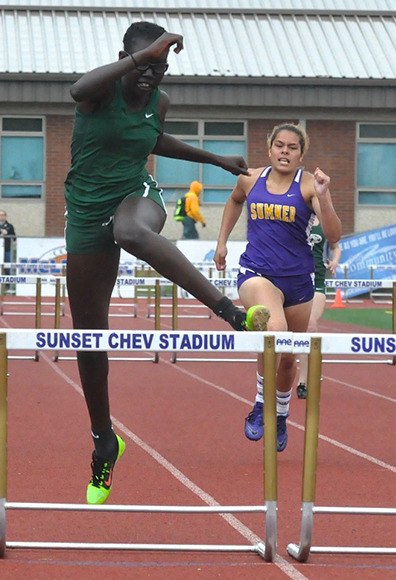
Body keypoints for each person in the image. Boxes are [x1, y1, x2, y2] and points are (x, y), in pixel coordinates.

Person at [64, 21, 270, 505]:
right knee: (89, 337)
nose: (151, 75)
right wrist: (142, 57)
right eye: (145, 64)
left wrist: (214, 159)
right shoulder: (101, 92)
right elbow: (75, 89)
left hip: (136, 196)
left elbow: (152, 140)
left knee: (130, 230)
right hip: (86, 210)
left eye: (160, 67)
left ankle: (231, 313)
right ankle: (103, 442)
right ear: (126, 57)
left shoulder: (159, 101)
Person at [214, 122, 341, 452]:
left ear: (301, 154)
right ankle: (260, 404)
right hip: (257, 273)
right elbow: (234, 201)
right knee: (275, 330)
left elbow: (333, 235)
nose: (285, 152)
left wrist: (325, 199)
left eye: (292, 147)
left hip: (298, 281)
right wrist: (222, 242)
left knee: (287, 359)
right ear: (269, 149)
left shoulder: (310, 185)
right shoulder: (251, 178)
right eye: (280, 146)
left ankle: (281, 414)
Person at [296, 215, 341, 398]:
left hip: (318, 278)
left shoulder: (324, 221)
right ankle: (282, 371)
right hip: (296, 276)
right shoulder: (297, 216)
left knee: (310, 327)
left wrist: (335, 260)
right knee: (288, 330)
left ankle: (303, 381)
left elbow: (335, 246)